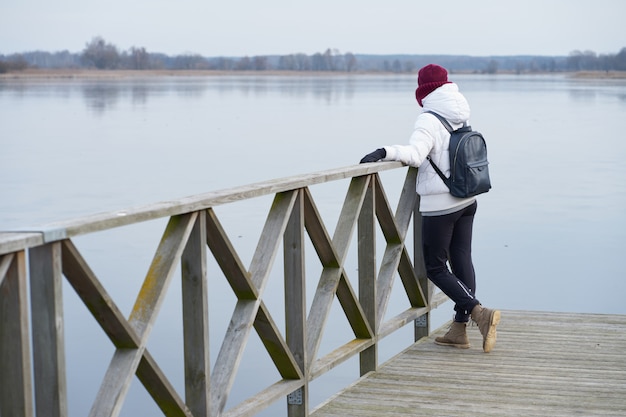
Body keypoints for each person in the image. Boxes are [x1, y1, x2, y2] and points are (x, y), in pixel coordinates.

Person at [360, 64, 500, 353]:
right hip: (467, 198)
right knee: (462, 260)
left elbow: (414, 155)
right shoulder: (461, 111)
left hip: (441, 204)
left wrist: (383, 152)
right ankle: (459, 331)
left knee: (435, 267)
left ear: (423, 91)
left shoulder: (428, 119)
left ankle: (478, 313)